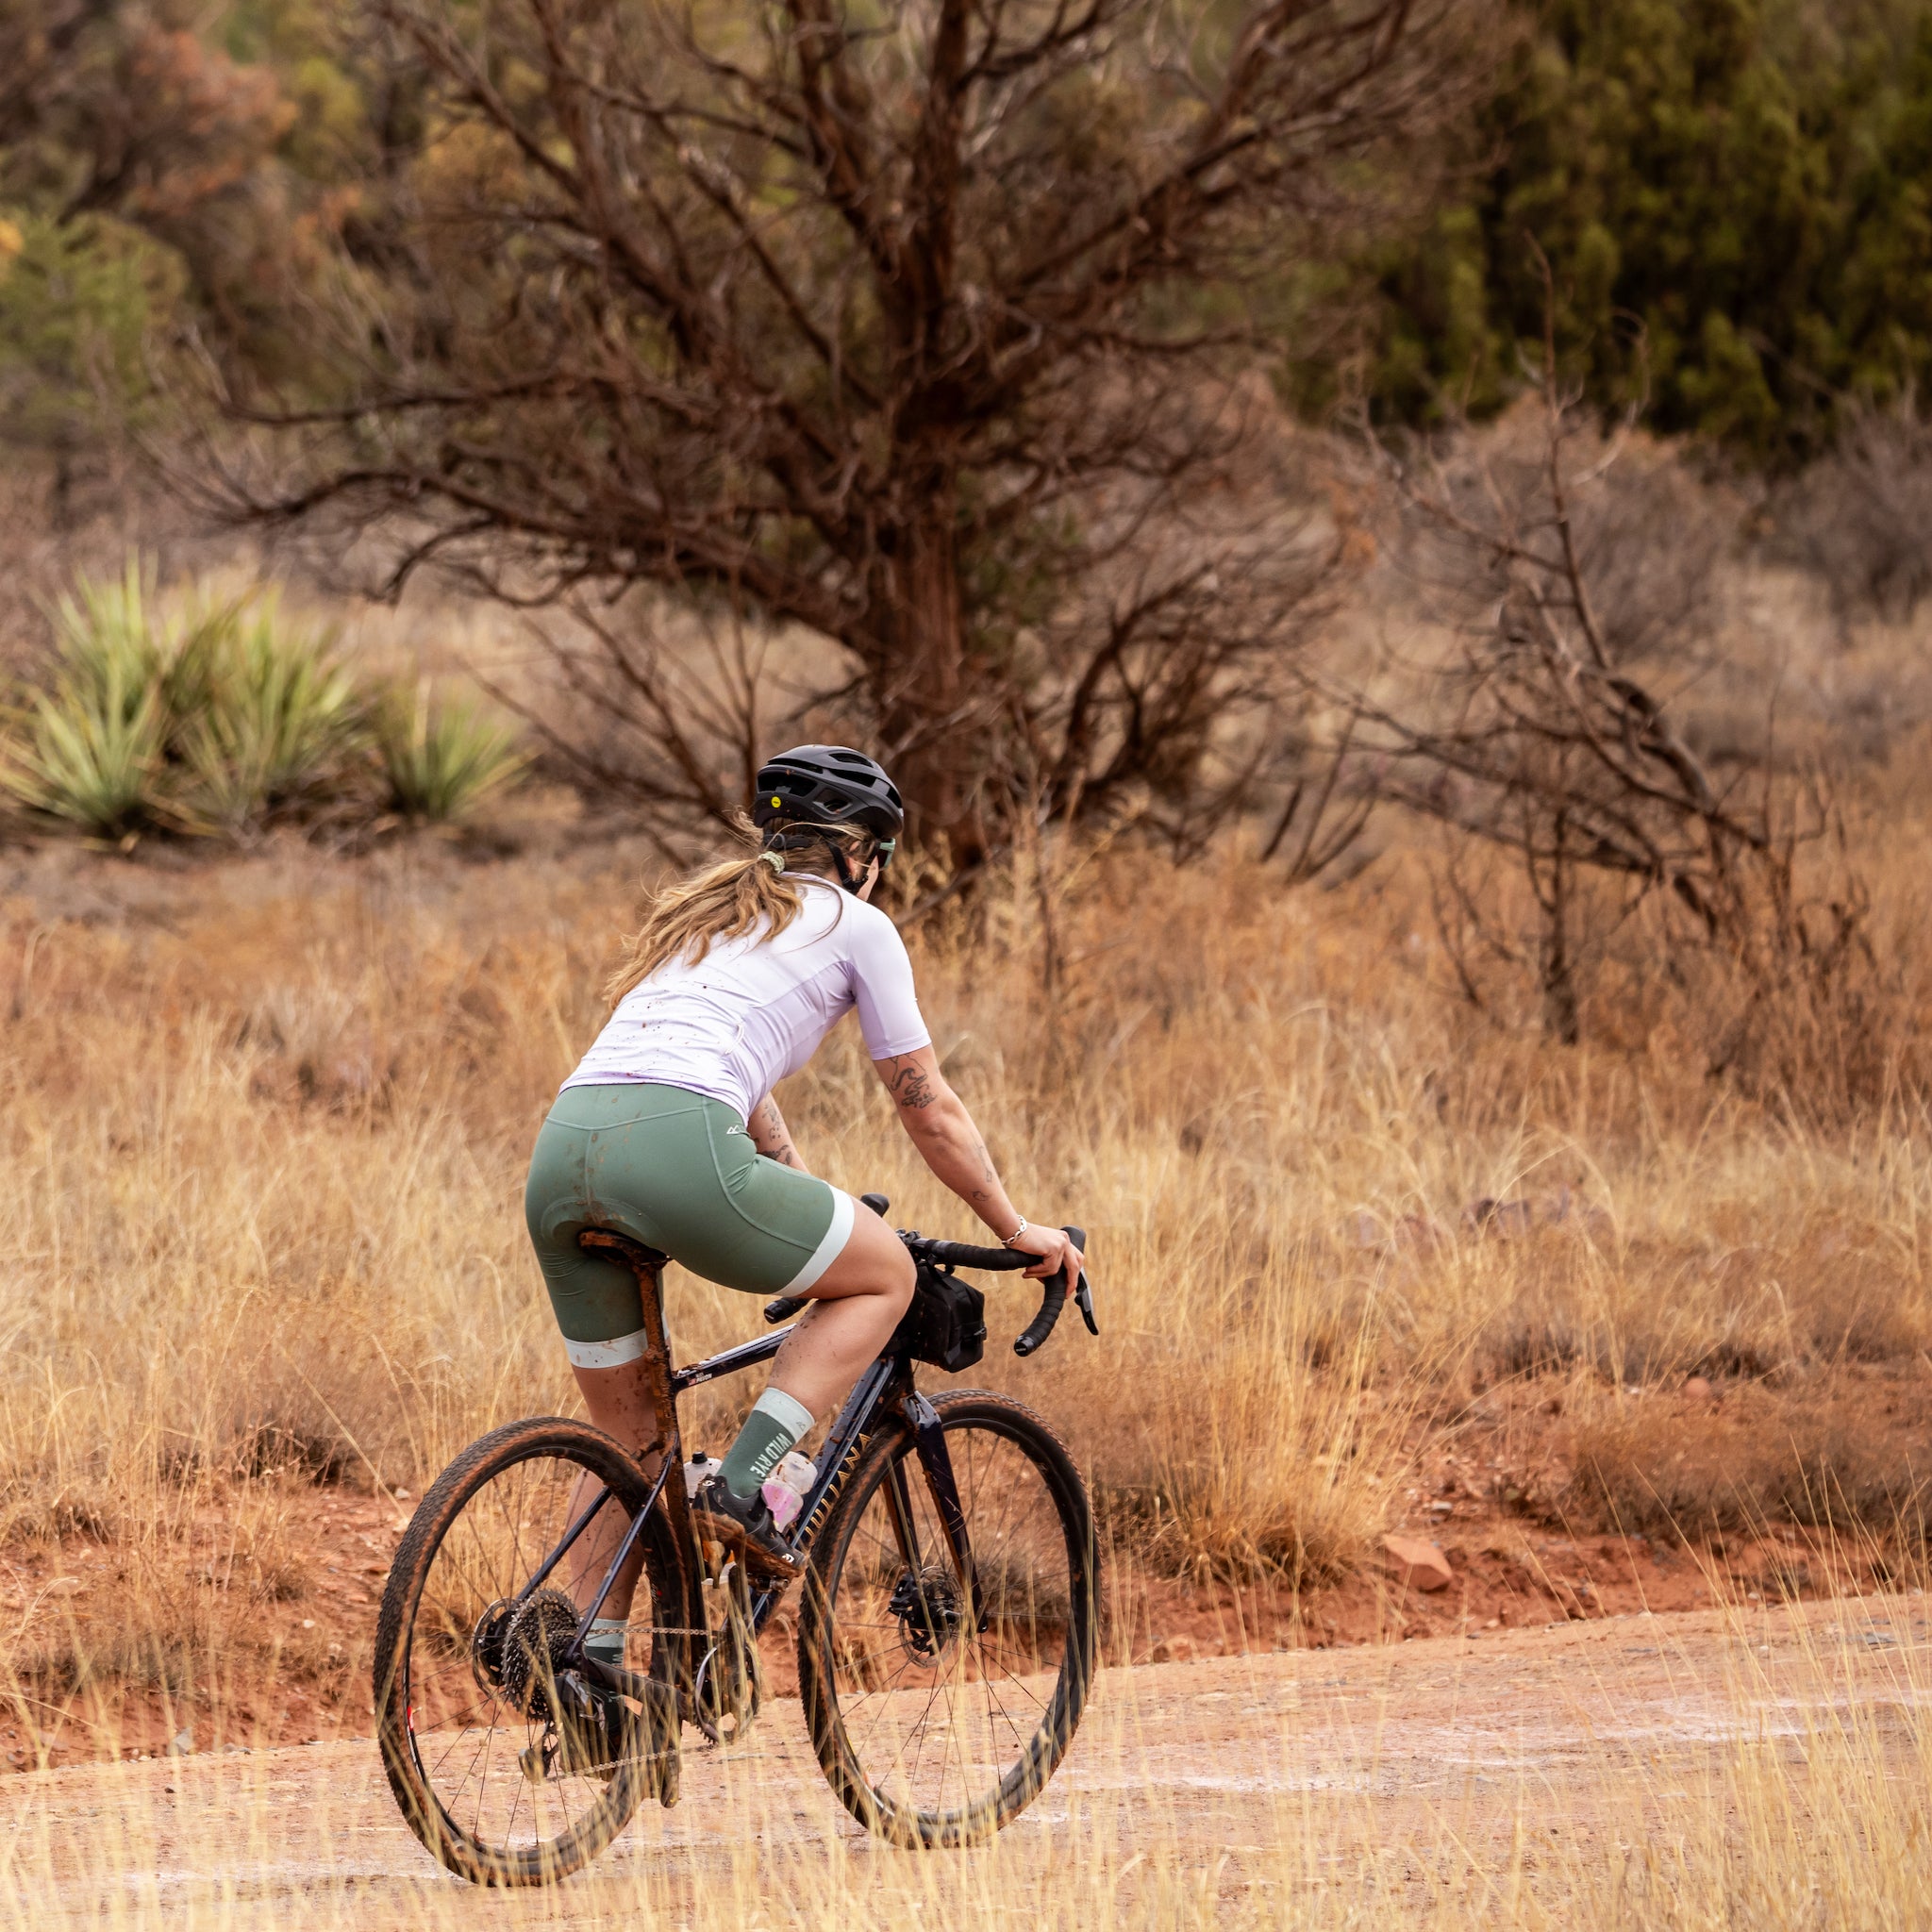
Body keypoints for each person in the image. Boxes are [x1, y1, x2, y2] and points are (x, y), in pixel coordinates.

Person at [524, 745, 1083, 1666]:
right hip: (678, 1146)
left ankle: (587, 1662)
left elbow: (718, 1066)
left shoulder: (705, 921)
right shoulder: (858, 926)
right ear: (860, 854)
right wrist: (1016, 1228)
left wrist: (797, 1178)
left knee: (630, 1450)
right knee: (887, 1275)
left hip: (563, 1151)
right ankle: (745, 1485)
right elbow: (925, 1103)